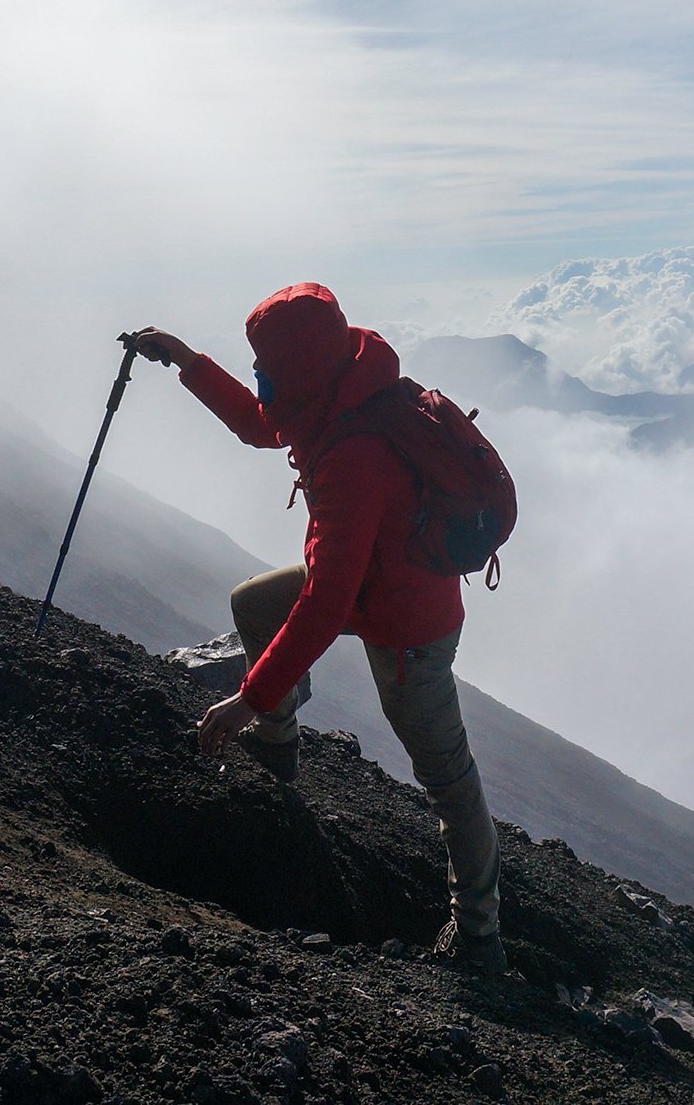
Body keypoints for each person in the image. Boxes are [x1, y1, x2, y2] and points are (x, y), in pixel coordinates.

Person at [132, 284, 506, 974]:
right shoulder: (335, 389)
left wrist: (246, 697)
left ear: (299, 371)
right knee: (254, 603)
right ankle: (278, 754)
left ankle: (480, 938)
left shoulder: (351, 453)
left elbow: (329, 600)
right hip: (369, 582)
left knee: (449, 781)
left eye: (265, 367)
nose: (259, 378)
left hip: (406, 625)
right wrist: (186, 360)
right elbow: (258, 421)